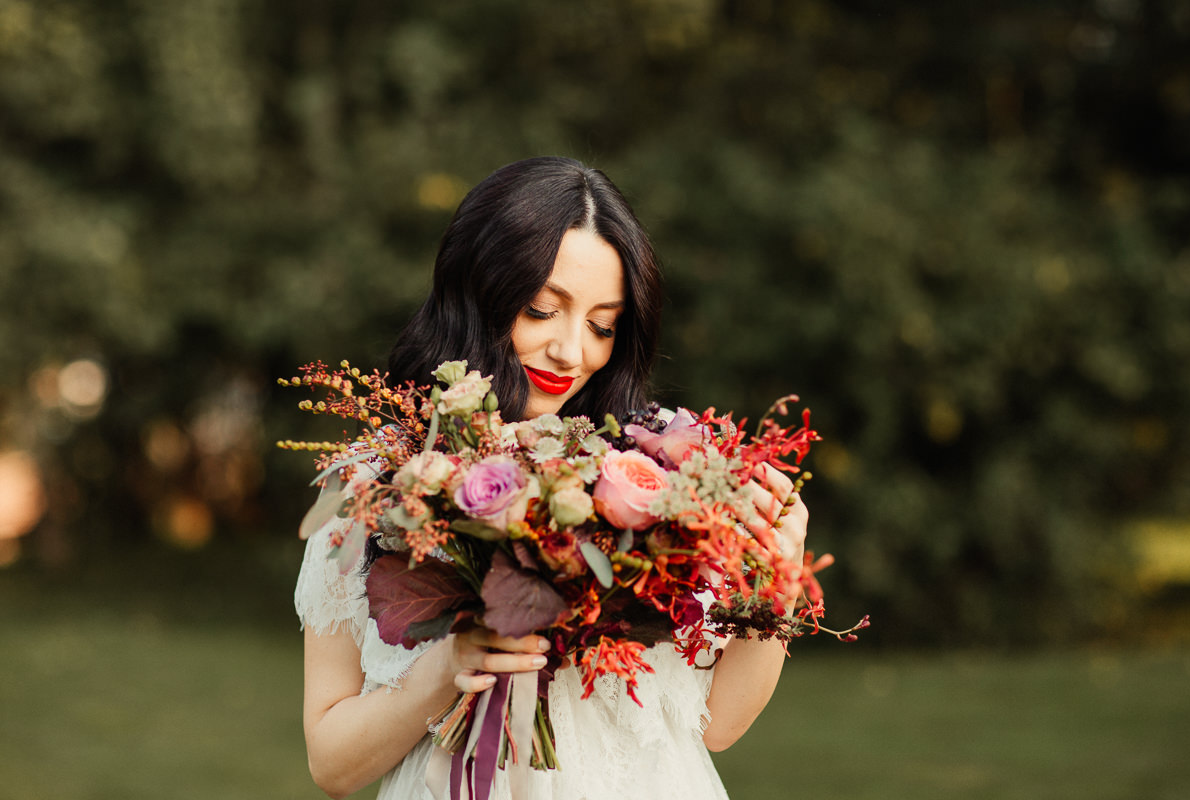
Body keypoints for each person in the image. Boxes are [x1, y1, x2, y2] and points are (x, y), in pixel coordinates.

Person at [294, 157, 809, 800]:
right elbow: (330, 764)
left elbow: (721, 726)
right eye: (542, 310)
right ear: (479, 291)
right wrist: (448, 667)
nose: (572, 352)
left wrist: (778, 578)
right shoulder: (375, 481)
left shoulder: (655, 470)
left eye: (602, 326)